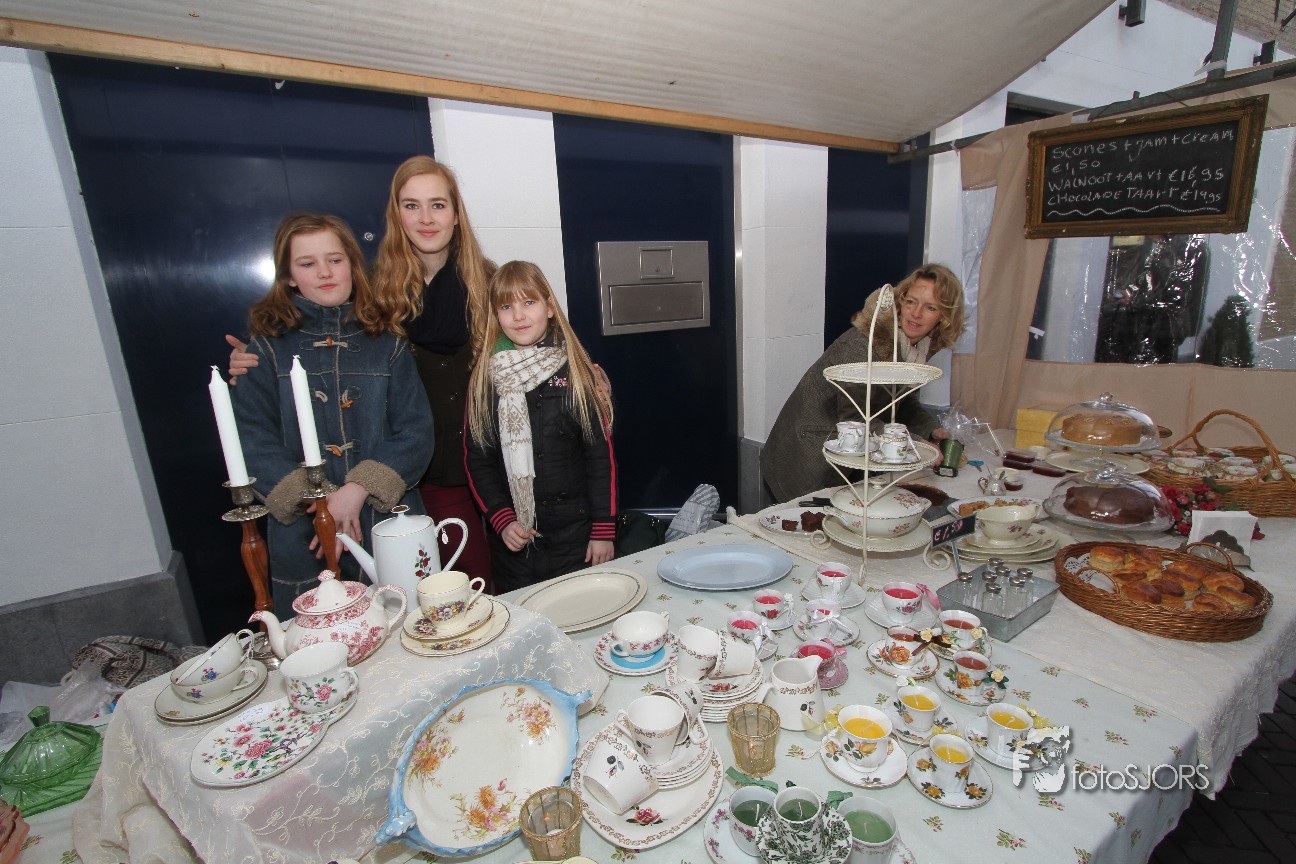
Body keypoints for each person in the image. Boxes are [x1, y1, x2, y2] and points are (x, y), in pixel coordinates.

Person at [228, 156, 496, 588]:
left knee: (471, 591)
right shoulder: (376, 289)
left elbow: (535, 338)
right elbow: (306, 347)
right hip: (416, 479)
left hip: (476, 461)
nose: (426, 218)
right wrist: (253, 362)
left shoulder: (490, 283)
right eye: (411, 206)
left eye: (437, 205)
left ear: (455, 213)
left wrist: (583, 373)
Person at [232, 213, 433, 617]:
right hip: (305, 530)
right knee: (320, 635)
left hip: (384, 521)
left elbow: (416, 431)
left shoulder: (388, 343)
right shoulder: (266, 350)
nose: (324, 272)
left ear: (353, 266)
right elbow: (251, 438)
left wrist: (356, 489)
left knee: (406, 624)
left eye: (335, 260)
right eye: (307, 263)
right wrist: (317, 501)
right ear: (289, 276)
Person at [465, 261, 617, 594]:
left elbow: (599, 458)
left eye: (529, 302)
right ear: (496, 315)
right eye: (506, 306)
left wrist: (603, 530)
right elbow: (478, 460)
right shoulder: (485, 381)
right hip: (516, 544)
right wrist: (502, 520)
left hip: (575, 538)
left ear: (549, 308)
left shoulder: (577, 371)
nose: (518, 316)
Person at [760, 264, 966, 504]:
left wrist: (932, 429)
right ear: (900, 301)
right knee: (803, 520)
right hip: (807, 452)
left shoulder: (916, 347)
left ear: (944, 317)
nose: (916, 313)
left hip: (845, 449)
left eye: (930, 307)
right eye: (911, 302)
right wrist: (915, 445)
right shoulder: (864, 345)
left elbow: (899, 400)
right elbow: (856, 419)